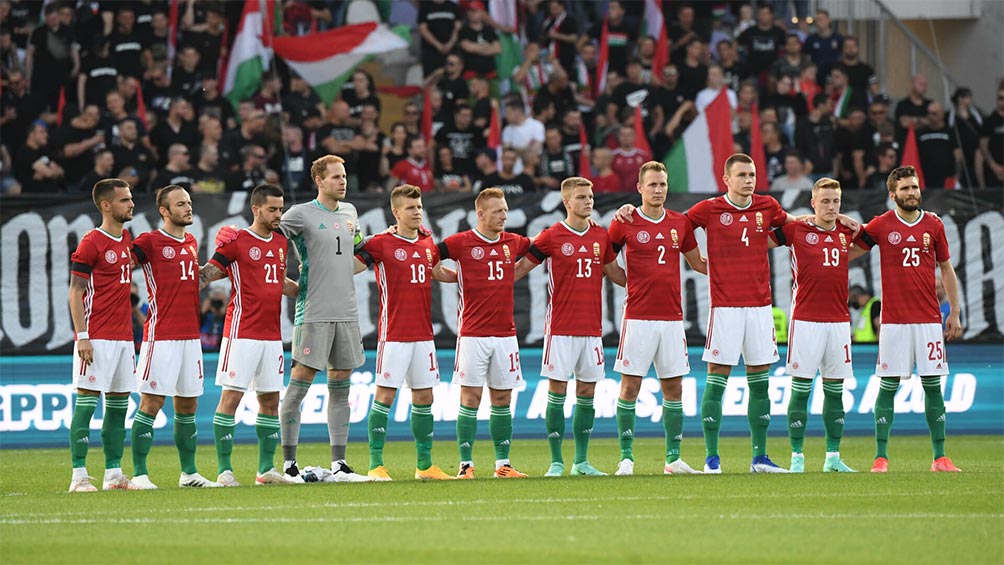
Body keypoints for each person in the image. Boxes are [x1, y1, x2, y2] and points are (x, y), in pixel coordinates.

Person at [617, 153, 856, 473]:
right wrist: (631, 209)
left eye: (752, 174)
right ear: (726, 179)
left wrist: (835, 218)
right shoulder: (708, 209)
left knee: (761, 383)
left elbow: (793, 226)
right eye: (742, 175)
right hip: (725, 307)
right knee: (718, 379)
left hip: (759, 308)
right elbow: (671, 224)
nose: (749, 180)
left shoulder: (767, 206)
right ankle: (712, 458)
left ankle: (760, 457)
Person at [266, 155, 370, 483]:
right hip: (314, 311)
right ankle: (289, 465)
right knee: (300, 385)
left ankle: (339, 465)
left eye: (344, 176)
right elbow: (267, 241)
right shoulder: (299, 214)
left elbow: (358, 254)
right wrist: (286, 284)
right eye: (336, 177)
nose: (343, 181)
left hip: (347, 313)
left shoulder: (350, 212)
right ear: (319, 181)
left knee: (341, 386)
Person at [512, 177, 626, 477]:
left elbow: (616, 273)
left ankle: (581, 462)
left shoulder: (601, 236)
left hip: (592, 330)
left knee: (587, 393)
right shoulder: (551, 236)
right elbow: (521, 267)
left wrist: (650, 276)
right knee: (557, 393)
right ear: (567, 202)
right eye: (581, 197)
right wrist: (486, 285)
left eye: (590, 196)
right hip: (560, 329)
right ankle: (556, 462)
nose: (588, 201)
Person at [854, 166, 963, 473]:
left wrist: (954, 311)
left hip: (929, 320)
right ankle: (881, 457)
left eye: (914, 187)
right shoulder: (881, 225)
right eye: (905, 189)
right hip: (893, 322)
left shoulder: (934, 224)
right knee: (888, 386)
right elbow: (852, 249)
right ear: (893, 195)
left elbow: (946, 268)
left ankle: (940, 457)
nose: (912, 192)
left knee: (932, 386)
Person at [607, 163, 708, 476]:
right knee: (629, 388)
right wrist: (630, 283)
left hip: (671, 319)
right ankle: (626, 458)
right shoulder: (624, 222)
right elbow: (606, 260)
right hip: (637, 317)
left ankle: (673, 458)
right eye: (652, 184)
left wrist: (735, 267)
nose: (658, 190)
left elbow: (697, 263)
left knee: (674, 389)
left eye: (662, 184)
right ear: (639, 188)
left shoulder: (679, 222)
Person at [354, 185, 457, 481]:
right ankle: (376, 465)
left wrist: (465, 278)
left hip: (423, 336)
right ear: (396, 212)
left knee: (424, 398)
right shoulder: (380, 243)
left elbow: (436, 271)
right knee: (385, 396)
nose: (417, 211)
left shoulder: (427, 241)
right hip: (393, 335)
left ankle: (424, 466)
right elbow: (352, 267)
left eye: (419, 206)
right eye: (411, 208)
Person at [199, 184, 299, 486]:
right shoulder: (237, 241)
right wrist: (191, 272)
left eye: (280, 209)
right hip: (241, 333)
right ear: (255, 209)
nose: (278, 215)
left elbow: (278, 281)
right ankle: (224, 471)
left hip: (272, 336)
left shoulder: (281, 243)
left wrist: (308, 289)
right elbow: (208, 274)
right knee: (231, 399)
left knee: (270, 402)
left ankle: (266, 470)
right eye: (272, 209)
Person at [129, 185, 220, 489]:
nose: (188, 208)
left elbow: (191, 281)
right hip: (161, 335)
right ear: (164, 211)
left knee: (188, 405)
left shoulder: (191, 241)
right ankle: (140, 474)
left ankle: (189, 473)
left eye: (189, 203)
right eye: (180, 204)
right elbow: (119, 264)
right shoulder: (150, 242)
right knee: (152, 402)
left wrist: (218, 262)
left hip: (190, 337)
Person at [437, 188, 532, 479]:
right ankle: (466, 465)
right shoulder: (460, 242)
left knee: (502, 399)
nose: (504, 215)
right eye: (498, 211)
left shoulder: (512, 242)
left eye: (505, 209)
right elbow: (426, 255)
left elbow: (544, 248)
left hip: (505, 335)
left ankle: (502, 464)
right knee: (470, 399)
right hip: (473, 335)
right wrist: (449, 276)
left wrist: (518, 271)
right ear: (481, 214)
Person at [770, 178, 859, 473]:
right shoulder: (797, 229)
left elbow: (878, 235)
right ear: (813, 203)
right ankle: (797, 456)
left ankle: (832, 457)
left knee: (835, 390)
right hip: (805, 321)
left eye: (835, 201)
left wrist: (852, 223)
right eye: (825, 201)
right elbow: (761, 240)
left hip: (838, 323)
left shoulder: (847, 231)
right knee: (801, 389)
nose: (831, 206)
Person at [67, 178, 138, 492]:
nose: (131, 204)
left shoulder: (126, 238)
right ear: (106, 205)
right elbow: (75, 291)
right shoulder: (91, 242)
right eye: (124, 200)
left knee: (119, 407)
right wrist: (82, 335)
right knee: (86, 404)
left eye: (131, 198)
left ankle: (113, 473)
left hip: (124, 338)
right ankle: (79, 476)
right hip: (96, 336)